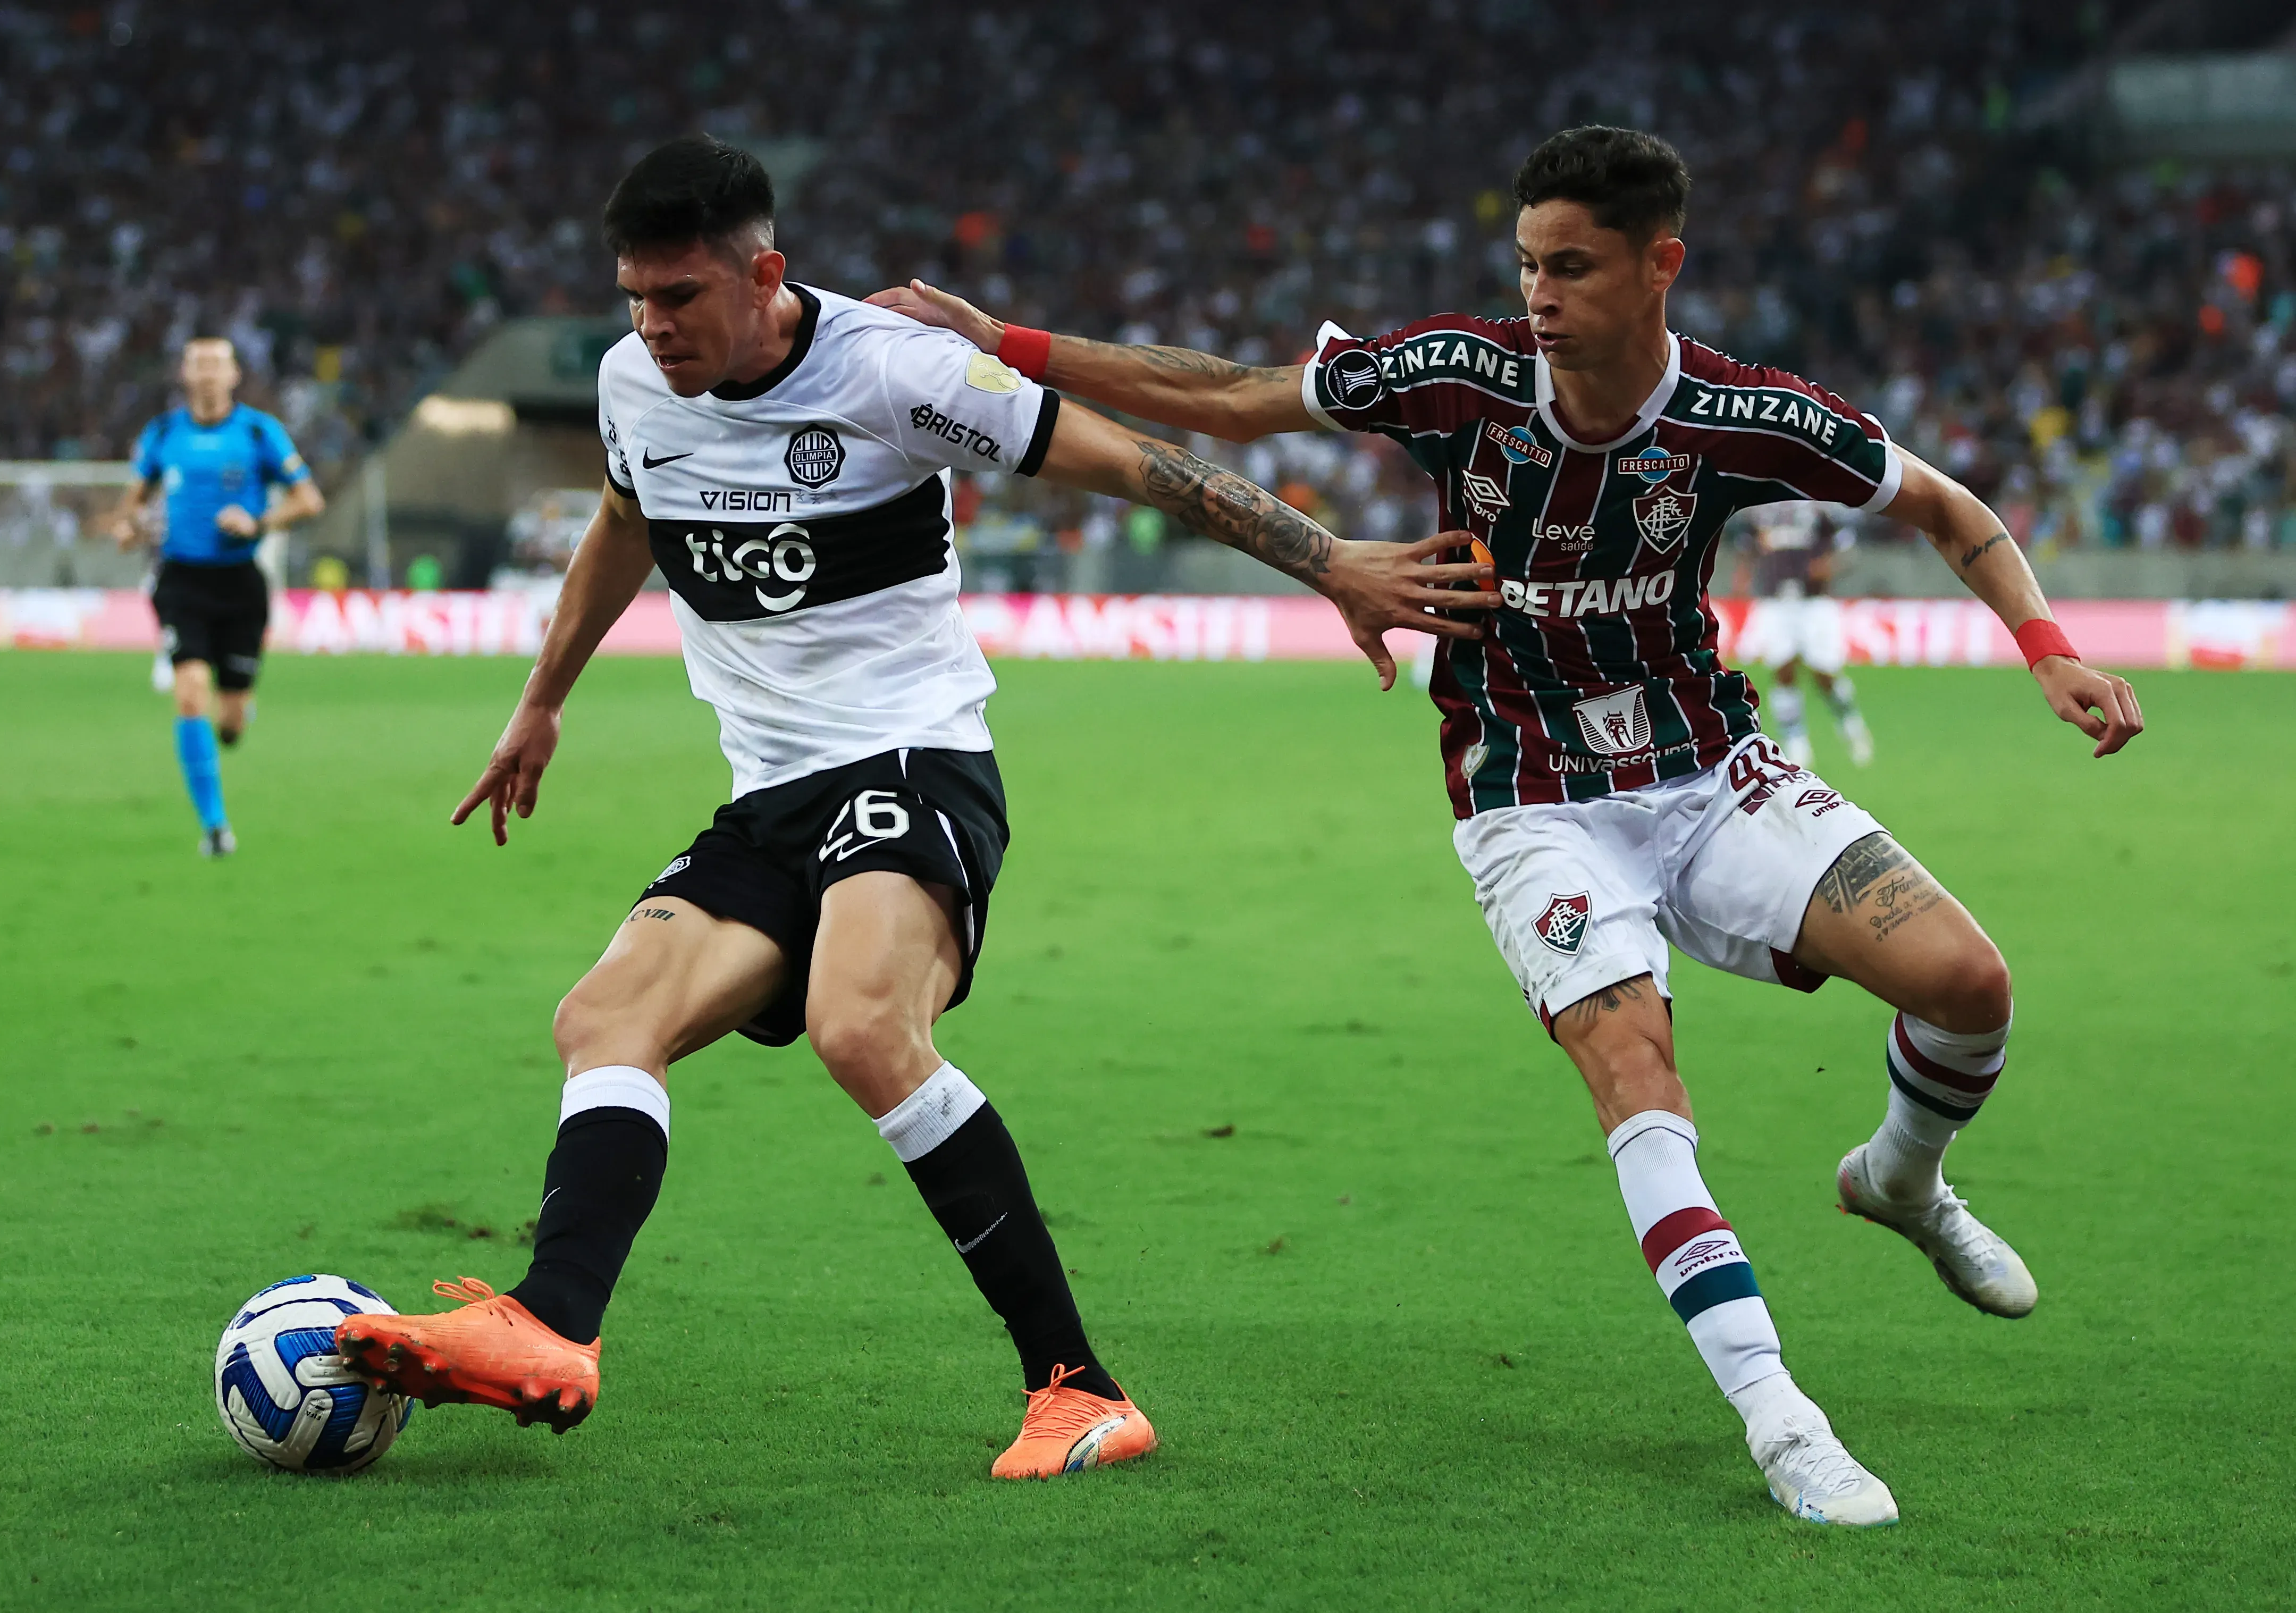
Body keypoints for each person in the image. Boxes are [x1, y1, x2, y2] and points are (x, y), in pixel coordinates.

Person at [870, 124, 2144, 1524]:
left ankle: (1898, 1179)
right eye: (1527, 264)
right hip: (1527, 795)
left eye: (1571, 267)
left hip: (1707, 769)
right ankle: (1781, 1418)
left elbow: (1949, 509)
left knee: (1969, 984)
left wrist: (2047, 649)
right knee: (1637, 1080)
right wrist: (1004, 342)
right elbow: (1231, 398)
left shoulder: (1745, 414)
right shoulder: (1455, 375)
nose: (1537, 294)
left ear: (1658, 265)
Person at [331, 135, 1483, 1479]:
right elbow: (624, 522)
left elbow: (1129, 463)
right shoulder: (632, 384)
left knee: (861, 1022)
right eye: (634, 298)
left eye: (681, 296)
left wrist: (1328, 558)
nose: (653, 327)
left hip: (911, 761)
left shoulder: (894, 371)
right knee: (602, 1018)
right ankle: (552, 1323)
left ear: (765, 275)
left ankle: (1080, 1389)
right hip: (771, 794)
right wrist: (541, 701)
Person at [109, 337, 325, 856]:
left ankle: (235, 717)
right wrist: (130, 527)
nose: (207, 373)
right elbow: (131, 505)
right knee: (190, 693)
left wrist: (258, 522)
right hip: (181, 582)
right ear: (184, 374)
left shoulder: (259, 432)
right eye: (198, 364)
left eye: (217, 364)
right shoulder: (163, 434)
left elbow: (309, 500)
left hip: (241, 585)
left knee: (230, 721)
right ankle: (215, 826)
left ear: (234, 375)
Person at [1737, 501, 1871, 767]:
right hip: (1775, 600)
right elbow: (1748, 545)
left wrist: (1828, 565)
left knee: (1824, 672)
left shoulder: (1818, 506)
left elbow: (1847, 545)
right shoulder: (1760, 506)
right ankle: (1796, 742)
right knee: (1783, 669)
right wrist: (1743, 575)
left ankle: (1850, 723)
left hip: (1813, 602)